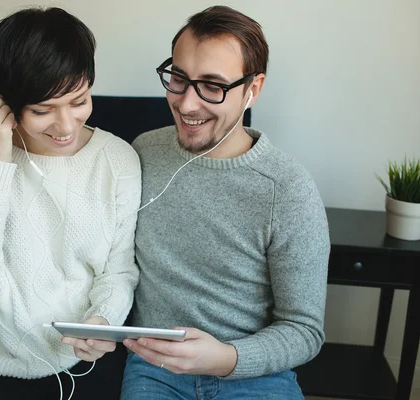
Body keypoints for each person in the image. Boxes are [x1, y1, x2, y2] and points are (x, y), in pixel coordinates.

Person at [120, 5, 330, 399]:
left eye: (212, 87)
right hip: (155, 368)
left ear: (254, 89)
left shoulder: (287, 189)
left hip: (256, 374)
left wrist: (226, 358)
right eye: (178, 79)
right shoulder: (143, 153)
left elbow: (304, 330)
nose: (185, 104)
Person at [0, 7, 141, 400]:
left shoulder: (118, 159)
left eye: (78, 100)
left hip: (84, 358)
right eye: (42, 110)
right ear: (7, 103)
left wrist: (104, 320)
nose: (65, 126)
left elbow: (119, 271)